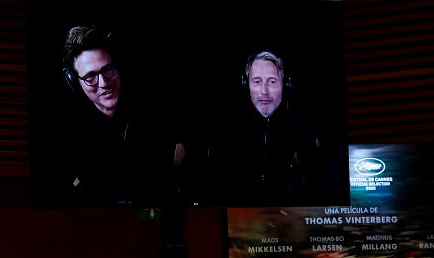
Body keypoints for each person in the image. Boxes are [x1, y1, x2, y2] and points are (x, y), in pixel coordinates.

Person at [55, 24, 182, 207]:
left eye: (108, 70)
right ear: (75, 82)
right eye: (90, 76)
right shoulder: (68, 137)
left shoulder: (156, 120)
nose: (104, 83)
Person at [201, 50, 330, 207]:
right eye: (256, 81)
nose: (264, 91)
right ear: (246, 84)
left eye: (272, 82)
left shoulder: (303, 128)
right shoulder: (226, 131)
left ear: (285, 84)